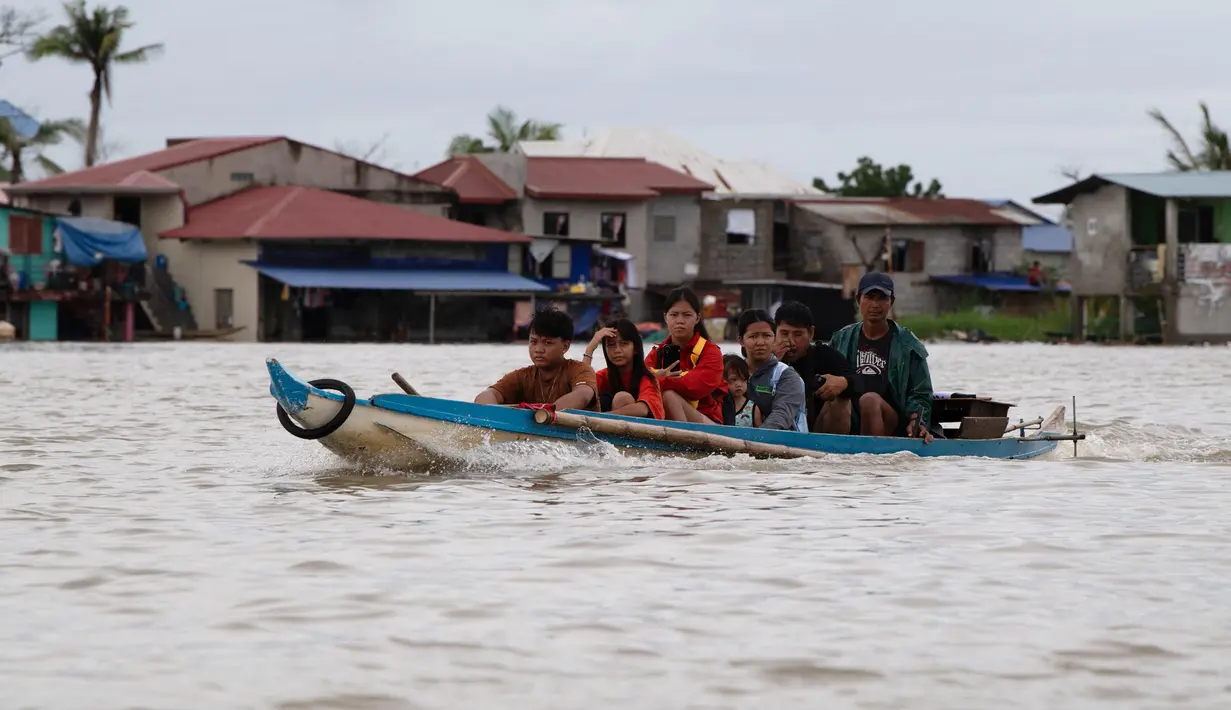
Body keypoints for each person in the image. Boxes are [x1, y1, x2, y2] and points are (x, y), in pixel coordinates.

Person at [828, 272, 934, 442]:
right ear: (858, 300)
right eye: (869, 297)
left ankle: (872, 459)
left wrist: (917, 421)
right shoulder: (841, 339)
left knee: (870, 400)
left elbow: (921, 393)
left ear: (891, 302)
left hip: (891, 419)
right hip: (850, 416)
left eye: (882, 298)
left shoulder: (908, 345)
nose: (875, 305)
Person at [475, 307, 598, 411]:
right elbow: (488, 394)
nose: (538, 349)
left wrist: (546, 413)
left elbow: (582, 395)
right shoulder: (521, 376)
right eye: (534, 342)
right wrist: (491, 413)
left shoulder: (581, 370)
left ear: (565, 346)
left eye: (547, 343)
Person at [771, 300, 862, 433]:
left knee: (841, 399)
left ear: (811, 333)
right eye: (784, 334)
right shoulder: (765, 356)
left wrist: (844, 382)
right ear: (775, 332)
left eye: (798, 334)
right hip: (772, 427)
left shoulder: (824, 355)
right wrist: (772, 363)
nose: (791, 342)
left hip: (816, 432)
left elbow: (860, 382)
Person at [645, 286, 727, 423]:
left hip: (708, 424)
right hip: (665, 419)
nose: (680, 321)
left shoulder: (711, 352)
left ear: (697, 318)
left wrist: (658, 379)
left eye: (687, 315)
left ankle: (680, 443)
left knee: (669, 396)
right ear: (665, 317)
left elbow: (692, 387)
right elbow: (638, 382)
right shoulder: (656, 353)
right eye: (674, 315)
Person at [737, 309, 808, 432]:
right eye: (753, 336)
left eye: (767, 336)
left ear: (774, 338)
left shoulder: (786, 375)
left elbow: (781, 416)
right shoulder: (731, 371)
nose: (760, 342)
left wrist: (754, 441)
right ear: (741, 340)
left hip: (780, 445)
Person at [583, 318, 664, 419]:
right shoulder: (604, 375)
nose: (617, 350)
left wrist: (604, 417)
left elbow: (642, 409)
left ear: (635, 348)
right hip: (609, 425)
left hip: (641, 430)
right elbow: (582, 391)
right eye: (611, 345)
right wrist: (590, 349)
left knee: (622, 398)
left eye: (624, 343)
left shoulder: (647, 377)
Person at [721, 354, 762, 427]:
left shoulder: (752, 408)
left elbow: (759, 435)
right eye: (733, 379)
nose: (739, 384)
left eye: (743, 379)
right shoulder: (717, 405)